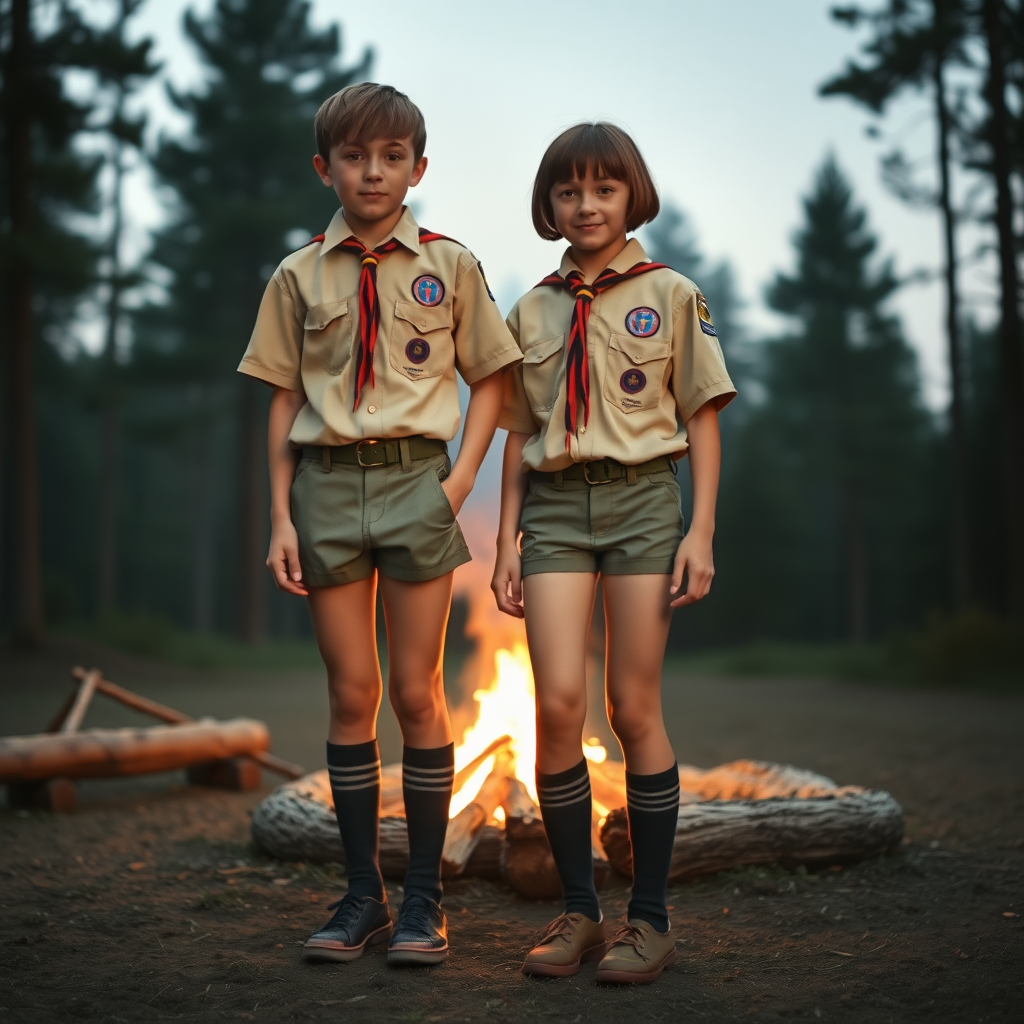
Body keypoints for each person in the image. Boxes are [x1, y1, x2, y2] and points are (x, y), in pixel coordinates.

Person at [238, 82, 520, 966]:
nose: (374, 171)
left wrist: (461, 476)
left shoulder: (450, 265)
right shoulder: (297, 275)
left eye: (392, 156)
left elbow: (495, 380)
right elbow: (282, 398)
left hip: (414, 486)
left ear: (418, 168)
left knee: (416, 692)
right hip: (324, 490)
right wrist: (280, 516)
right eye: (355, 156)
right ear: (326, 169)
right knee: (351, 693)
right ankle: (362, 893)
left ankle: (424, 901)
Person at [491, 122, 735, 985]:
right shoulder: (531, 309)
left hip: (641, 506)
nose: (586, 204)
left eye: (603, 187)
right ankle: (580, 912)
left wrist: (699, 530)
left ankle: (652, 921)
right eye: (568, 191)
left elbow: (702, 415)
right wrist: (508, 543)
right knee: (557, 705)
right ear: (548, 206)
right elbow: (518, 434)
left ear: (632, 194)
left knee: (632, 707)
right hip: (554, 511)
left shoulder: (671, 293)